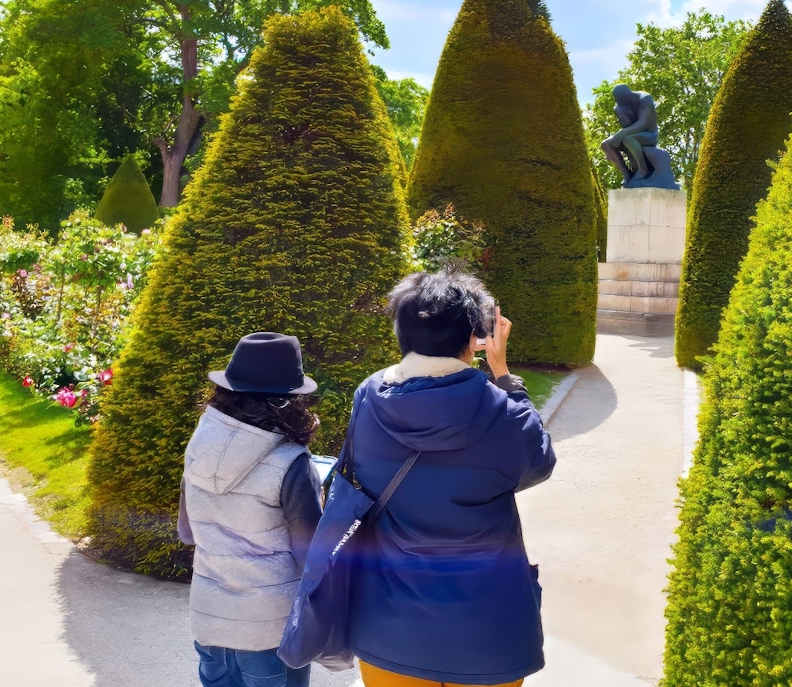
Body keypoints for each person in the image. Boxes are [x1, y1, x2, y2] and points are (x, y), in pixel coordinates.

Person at [342, 269, 557, 686]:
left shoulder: (369, 397)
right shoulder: (501, 412)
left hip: (389, 622)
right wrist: (504, 374)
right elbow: (538, 462)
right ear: (476, 336)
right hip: (487, 631)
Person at [178, 332, 325, 687]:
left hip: (209, 622)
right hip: (269, 632)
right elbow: (312, 559)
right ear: (288, 401)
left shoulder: (199, 445)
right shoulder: (292, 462)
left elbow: (187, 533)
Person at [601, 83, 660, 184]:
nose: (619, 103)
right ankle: (627, 175)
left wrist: (622, 133)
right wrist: (622, 112)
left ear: (628, 95)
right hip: (631, 134)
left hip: (649, 135)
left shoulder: (645, 98)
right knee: (605, 144)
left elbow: (644, 123)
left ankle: (643, 170)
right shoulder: (620, 108)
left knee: (628, 139)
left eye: (621, 100)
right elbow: (626, 125)